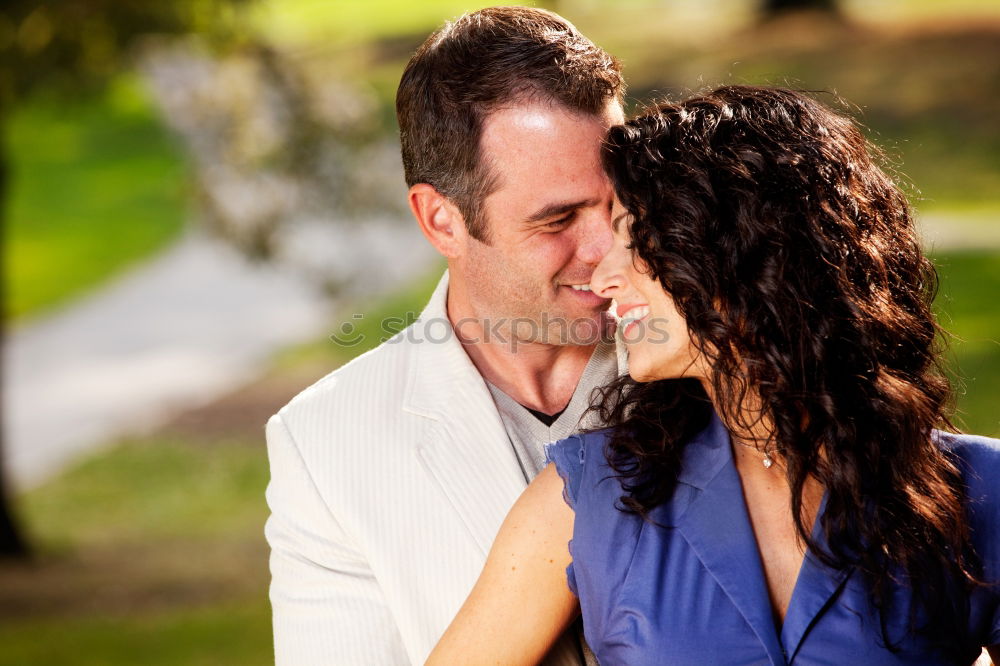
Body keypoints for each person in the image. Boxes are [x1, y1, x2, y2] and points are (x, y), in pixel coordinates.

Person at [429, 86, 1000, 665]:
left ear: (744, 249)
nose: (602, 277)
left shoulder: (977, 490)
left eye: (635, 238)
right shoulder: (588, 496)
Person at [264, 7, 625, 665]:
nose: (608, 248)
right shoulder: (324, 444)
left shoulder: (721, 366)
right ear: (442, 221)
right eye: (558, 219)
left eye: (619, 202)